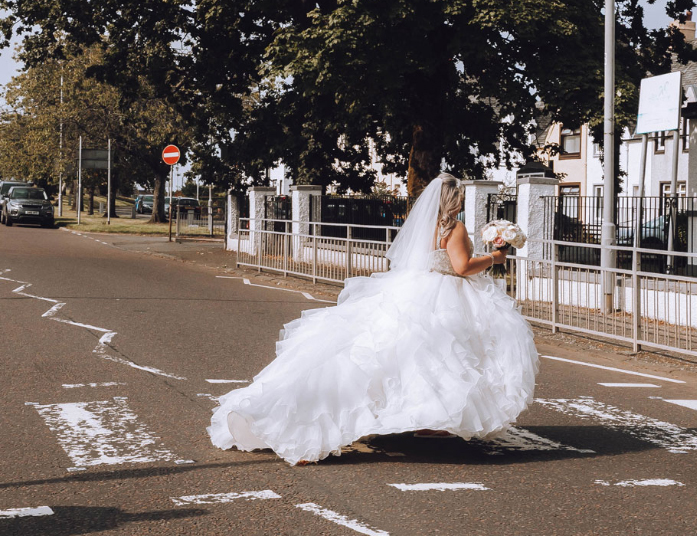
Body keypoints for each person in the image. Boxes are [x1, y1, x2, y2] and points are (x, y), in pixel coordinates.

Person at [208, 173, 539, 464]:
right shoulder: (454, 228)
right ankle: (429, 420)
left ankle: (428, 421)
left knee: (404, 354)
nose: (463, 202)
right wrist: (495, 257)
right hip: (445, 294)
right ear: (452, 200)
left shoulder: (424, 226)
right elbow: (462, 267)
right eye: (460, 197)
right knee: (440, 358)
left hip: (412, 287)